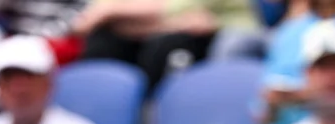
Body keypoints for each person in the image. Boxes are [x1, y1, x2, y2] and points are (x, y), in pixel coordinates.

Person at [74, 0, 258, 88]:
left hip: (227, 35)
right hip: (167, 30)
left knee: (164, 46)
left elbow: (175, 11)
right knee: (103, 42)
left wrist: (112, 11)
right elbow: (88, 23)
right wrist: (111, 13)